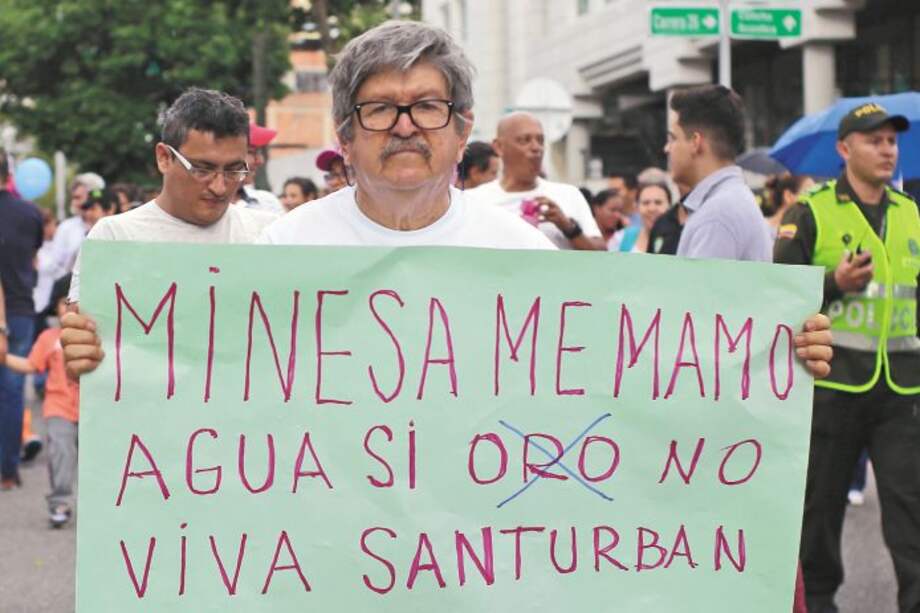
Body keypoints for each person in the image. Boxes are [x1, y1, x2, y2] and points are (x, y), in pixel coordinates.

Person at [774, 102, 920, 613]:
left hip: (903, 390)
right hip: (831, 387)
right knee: (818, 513)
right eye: (874, 141)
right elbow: (779, 297)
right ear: (844, 149)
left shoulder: (911, 213)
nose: (887, 150)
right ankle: (817, 603)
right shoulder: (810, 212)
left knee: (911, 513)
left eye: (891, 141)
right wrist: (834, 283)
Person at [259, 21, 554, 253]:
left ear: (462, 133)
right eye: (380, 108)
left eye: (427, 106)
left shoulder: (523, 252)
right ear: (344, 139)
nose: (404, 127)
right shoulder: (285, 247)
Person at [63, 87, 278, 308]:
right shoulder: (115, 237)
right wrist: (78, 327)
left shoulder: (270, 235)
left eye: (233, 170)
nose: (219, 187)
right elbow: (85, 319)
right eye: (202, 169)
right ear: (164, 158)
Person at [465, 112, 605, 250]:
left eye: (540, 140)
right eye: (524, 140)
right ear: (499, 147)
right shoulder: (474, 200)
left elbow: (600, 254)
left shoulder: (569, 195)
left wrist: (568, 227)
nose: (536, 148)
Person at [3, 275, 79, 527]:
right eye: (64, 302)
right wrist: (4, 358)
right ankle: (60, 501)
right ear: (55, 307)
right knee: (60, 454)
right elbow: (30, 365)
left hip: (92, 409)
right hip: (59, 407)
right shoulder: (49, 338)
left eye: (76, 302)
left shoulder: (97, 336)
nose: (70, 308)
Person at [666, 85, 772, 262]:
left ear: (695, 142)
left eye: (673, 138)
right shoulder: (726, 203)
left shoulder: (717, 215)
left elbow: (700, 282)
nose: (667, 148)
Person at [0, 148, 43, 489]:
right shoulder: (30, 213)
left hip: (10, 309)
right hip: (21, 309)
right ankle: (8, 471)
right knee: (13, 391)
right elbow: (34, 254)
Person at [51, 172, 106, 274]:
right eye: (73, 198)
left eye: (78, 197)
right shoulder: (66, 228)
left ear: (93, 196)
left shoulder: (109, 224)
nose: (74, 202)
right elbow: (56, 264)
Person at [233, 123, 284, 215]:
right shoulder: (207, 204)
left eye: (259, 152)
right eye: (251, 152)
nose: (260, 160)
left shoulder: (268, 203)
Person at [609, 182, 671, 253]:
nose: (651, 208)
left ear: (669, 206)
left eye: (658, 202)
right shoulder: (620, 239)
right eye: (646, 203)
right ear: (636, 207)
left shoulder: (679, 240)